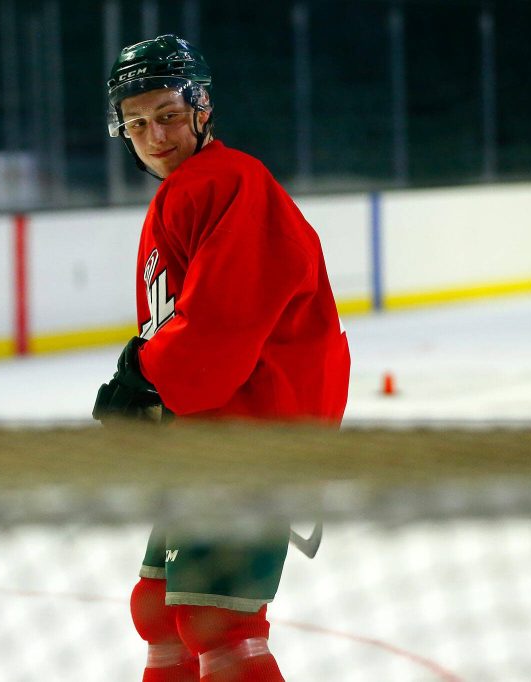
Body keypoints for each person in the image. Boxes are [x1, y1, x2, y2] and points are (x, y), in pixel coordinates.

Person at [93, 35, 350, 682]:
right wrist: (151, 383)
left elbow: (224, 321)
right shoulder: (188, 189)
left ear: (201, 108)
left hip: (251, 435)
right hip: (210, 429)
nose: (153, 135)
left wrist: (148, 378)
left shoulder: (230, 183)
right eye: (136, 123)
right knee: (159, 610)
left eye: (168, 115)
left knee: (221, 624)